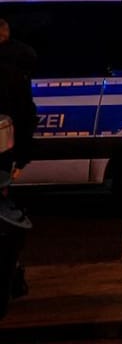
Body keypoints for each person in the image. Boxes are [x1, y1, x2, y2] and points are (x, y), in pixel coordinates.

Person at [0, 32, 34, 313]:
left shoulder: (10, 72)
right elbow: (26, 116)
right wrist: (22, 158)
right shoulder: (18, 70)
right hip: (7, 157)